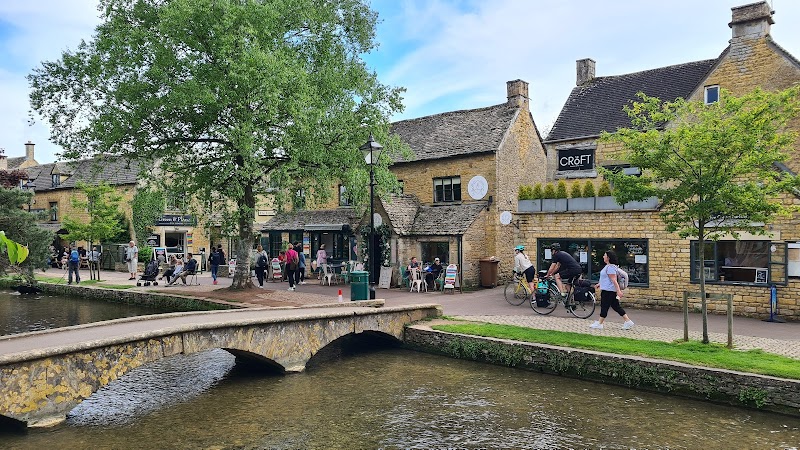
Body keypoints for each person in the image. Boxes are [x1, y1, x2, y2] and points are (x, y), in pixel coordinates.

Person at [590, 251, 635, 330]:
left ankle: (600, 323)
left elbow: (614, 280)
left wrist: (618, 291)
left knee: (604, 306)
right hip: (608, 290)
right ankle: (628, 321)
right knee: (616, 306)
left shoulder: (610, 267)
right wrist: (599, 284)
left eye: (605, 255)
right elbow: (607, 279)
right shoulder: (609, 266)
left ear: (608, 258)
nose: (603, 256)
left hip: (608, 291)